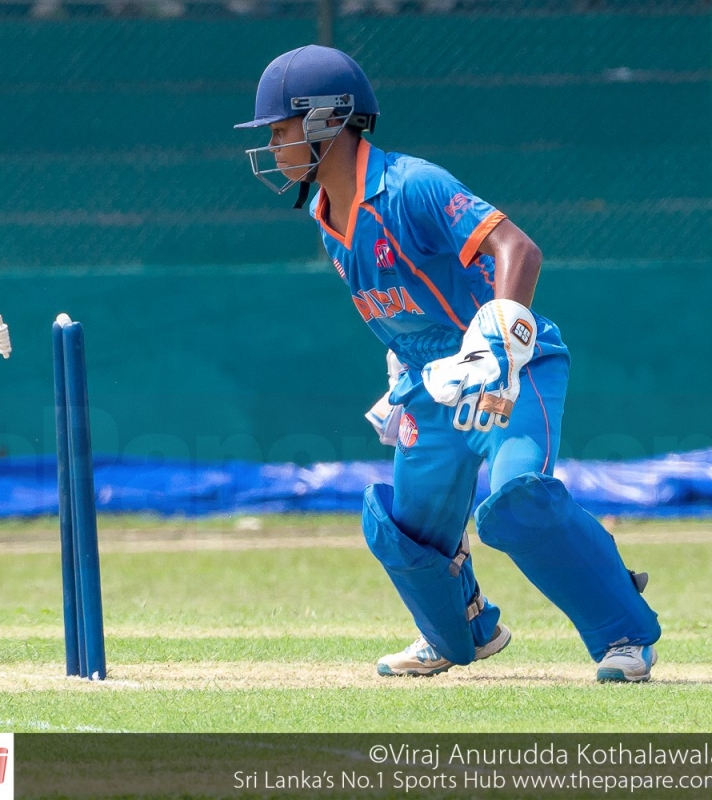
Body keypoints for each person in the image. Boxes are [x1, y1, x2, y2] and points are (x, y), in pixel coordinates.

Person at [235, 45, 661, 682]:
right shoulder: (328, 219)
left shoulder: (413, 186)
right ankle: (466, 626)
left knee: (516, 502)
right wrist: (400, 367)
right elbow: (404, 303)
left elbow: (519, 249)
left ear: (327, 120)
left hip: (508, 367)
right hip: (433, 384)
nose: (272, 145)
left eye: (279, 129)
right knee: (406, 529)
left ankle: (623, 633)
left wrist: (499, 344)